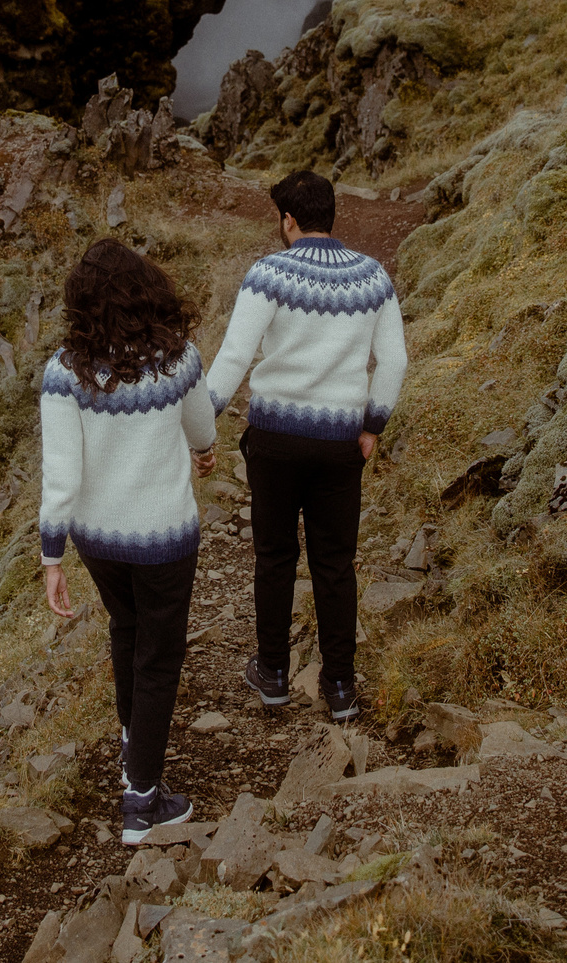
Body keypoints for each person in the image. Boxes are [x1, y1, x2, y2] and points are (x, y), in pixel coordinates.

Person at [202, 170, 406, 723]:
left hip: (274, 442)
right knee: (335, 564)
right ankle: (340, 687)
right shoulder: (372, 276)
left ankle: (271, 674)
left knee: (274, 556)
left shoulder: (268, 274)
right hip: (341, 443)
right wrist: (372, 428)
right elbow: (395, 363)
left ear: (289, 220)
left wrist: (199, 426)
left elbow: (233, 359)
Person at [38, 239, 218, 844]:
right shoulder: (178, 358)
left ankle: (130, 741)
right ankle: (141, 802)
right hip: (165, 534)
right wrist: (203, 451)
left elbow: (61, 472)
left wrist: (52, 555)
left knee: (126, 627)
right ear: (146, 289)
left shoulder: (64, 371)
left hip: (97, 538)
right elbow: (201, 425)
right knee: (159, 657)